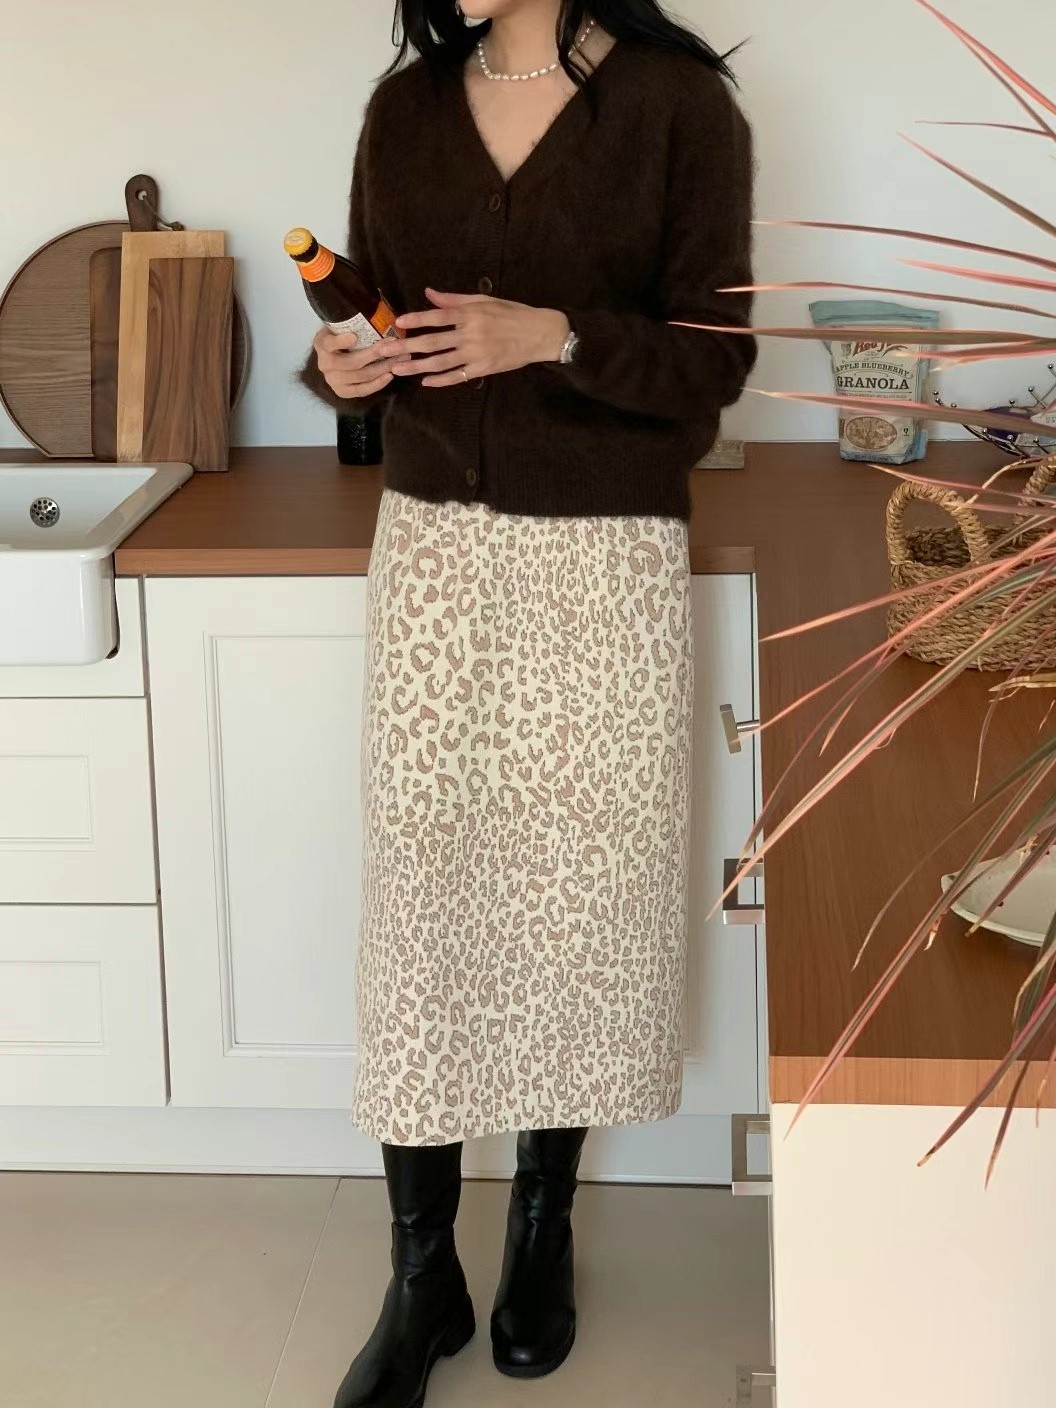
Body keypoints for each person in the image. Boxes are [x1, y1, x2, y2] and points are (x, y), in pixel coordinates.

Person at [299, 2, 755, 1404]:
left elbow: (713, 363)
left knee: (579, 890)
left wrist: (553, 335)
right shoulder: (405, 110)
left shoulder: (678, 108)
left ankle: (543, 1227)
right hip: (437, 551)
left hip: (605, 558)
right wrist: (342, 369)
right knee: (423, 899)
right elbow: (370, 322)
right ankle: (420, 1272)